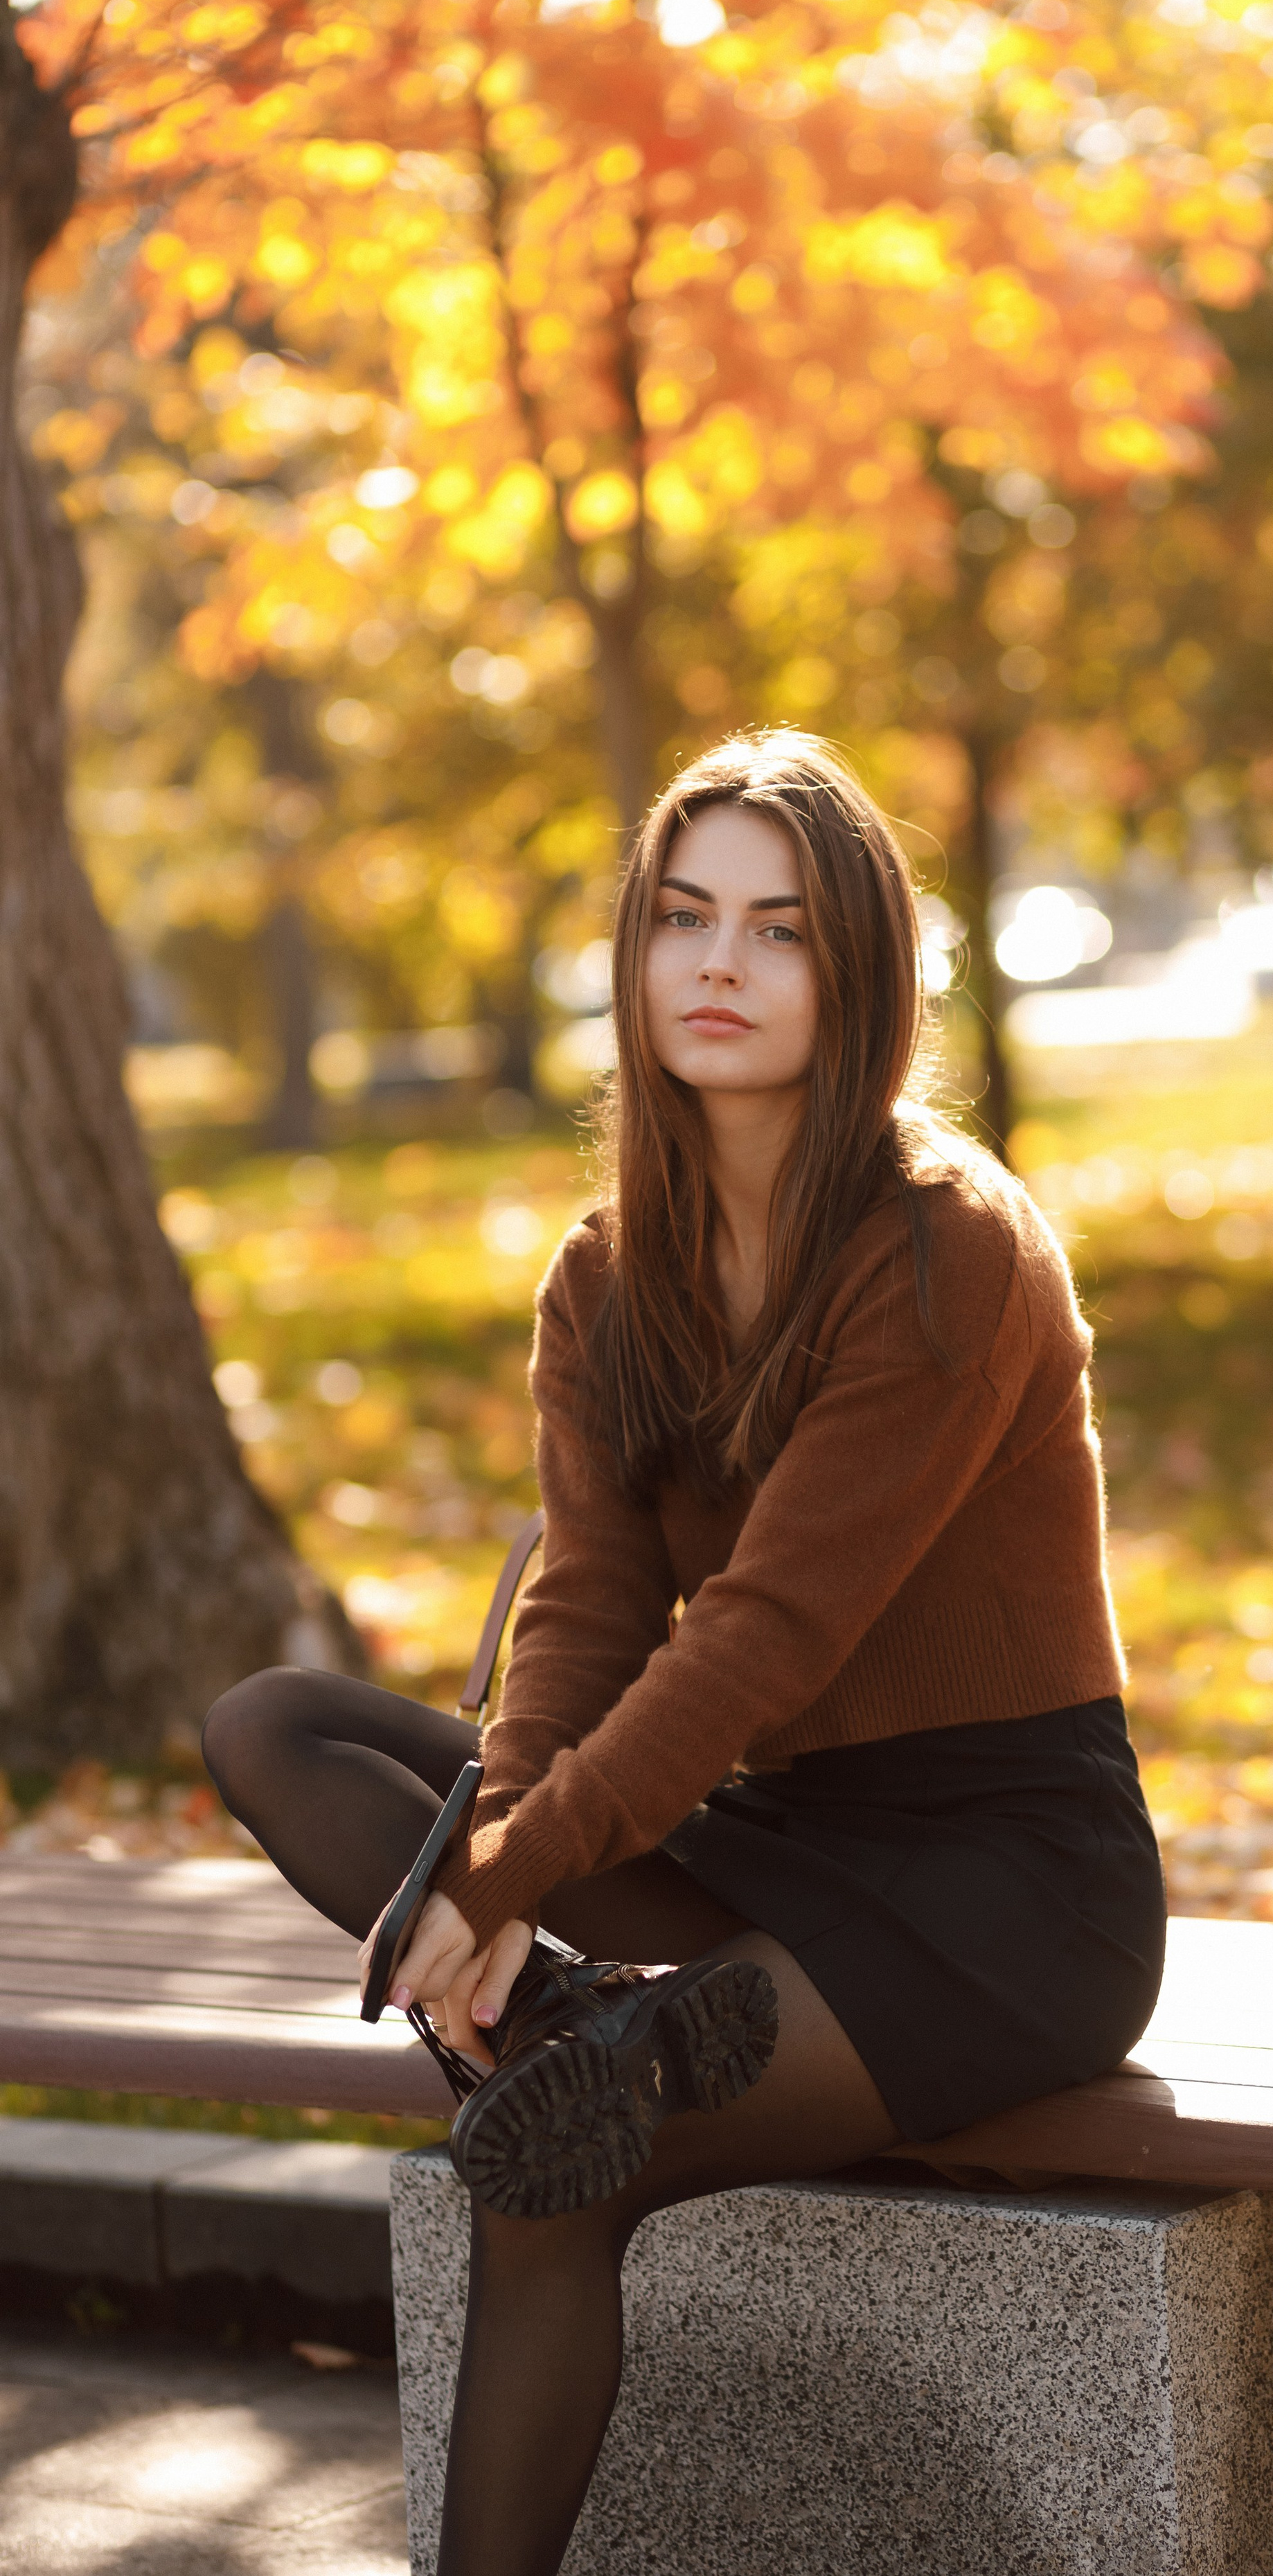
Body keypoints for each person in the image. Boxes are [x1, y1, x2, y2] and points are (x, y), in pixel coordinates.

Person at [202, 729, 1167, 2576]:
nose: (718, 964)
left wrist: (504, 1866)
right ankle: (579, 2020)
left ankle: (579, 2043)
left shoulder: (946, 1249)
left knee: (559, 2168)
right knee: (277, 1722)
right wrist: (508, 1825)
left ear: (859, 970)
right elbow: (582, 1610)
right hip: (771, 1833)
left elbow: (764, 1634)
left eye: (780, 930)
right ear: (636, 955)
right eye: (684, 917)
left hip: (1004, 1885)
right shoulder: (608, 1267)